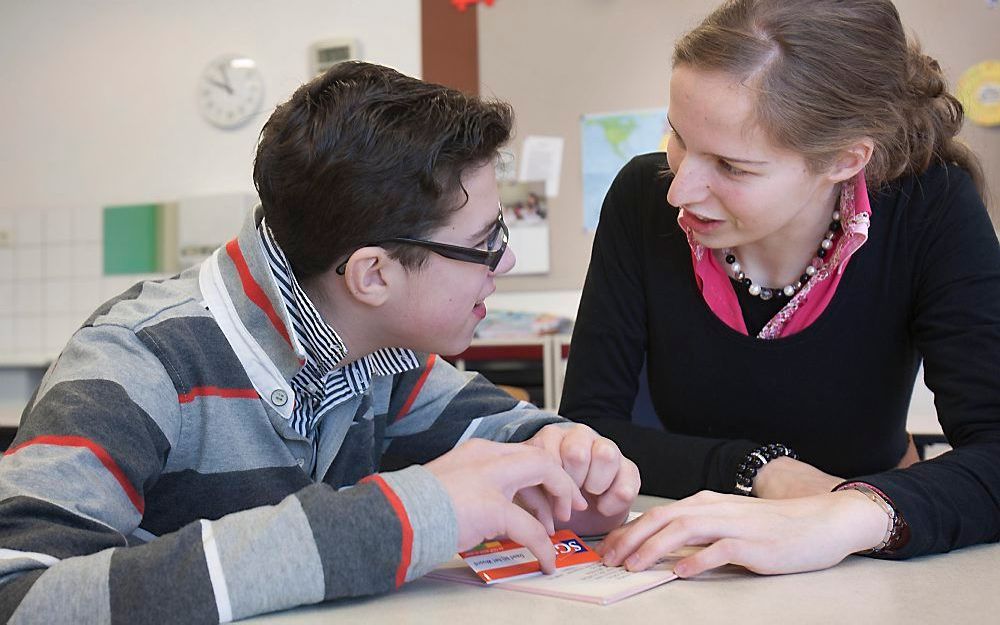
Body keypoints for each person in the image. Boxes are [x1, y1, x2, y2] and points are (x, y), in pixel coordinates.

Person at [0, 62, 639, 623]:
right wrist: (394, 521)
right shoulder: (137, 360)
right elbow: (19, 596)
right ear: (373, 275)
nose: (503, 263)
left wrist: (574, 466)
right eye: (483, 244)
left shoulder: (381, 356)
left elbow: (520, 441)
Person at [560, 0, 1000, 577]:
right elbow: (587, 436)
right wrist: (761, 470)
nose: (680, 189)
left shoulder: (930, 205)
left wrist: (847, 515)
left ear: (845, 159)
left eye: (733, 167)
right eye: (678, 137)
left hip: (873, 567)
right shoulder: (642, 196)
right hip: (693, 558)